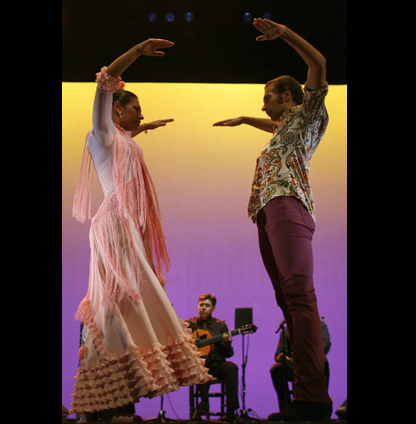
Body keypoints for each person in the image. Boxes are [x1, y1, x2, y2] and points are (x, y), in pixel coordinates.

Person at [70, 39, 211, 422]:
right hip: (114, 222)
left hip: (124, 224)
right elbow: (105, 82)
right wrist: (138, 50)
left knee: (123, 302)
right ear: (116, 108)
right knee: (119, 300)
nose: (140, 115)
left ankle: (116, 391)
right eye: (136, 109)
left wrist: (143, 128)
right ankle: (108, 391)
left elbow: (125, 148)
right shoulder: (102, 133)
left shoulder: (120, 139)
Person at [213, 18, 333, 422]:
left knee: (299, 295)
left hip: (288, 205)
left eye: (267, 97)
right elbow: (274, 125)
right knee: (288, 300)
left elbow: (318, 63)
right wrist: (245, 121)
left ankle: (313, 398)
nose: (262, 104)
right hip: (267, 211)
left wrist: (284, 34)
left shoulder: (308, 114)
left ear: (287, 96)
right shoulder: (285, 128)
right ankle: (306, 396)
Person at [186, 294, 240, 422]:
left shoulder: (220, 326)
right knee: (203, 358)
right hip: (198, 367)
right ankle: (204, 402)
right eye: (201, 305)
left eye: (207, 306)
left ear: (213, 308)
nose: (204, 308)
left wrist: (227, 345)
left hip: (216, 365)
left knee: (232, 367)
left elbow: (228, 354)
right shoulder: (189, 324)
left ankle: (231, 411)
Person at [270, 318, 331, 412]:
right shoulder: (286, 330)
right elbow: (279, 353)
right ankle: (286, 408)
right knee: (276, 369)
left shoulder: (319, 326)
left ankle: (317, 409)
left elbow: (325, 345)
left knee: (321, 365)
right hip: (293, 364)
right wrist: (281, 357)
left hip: (312, 362)